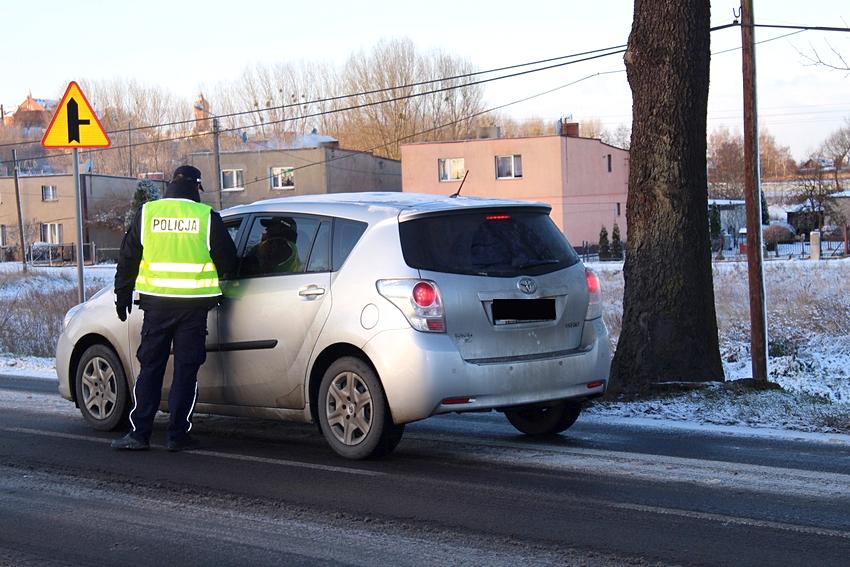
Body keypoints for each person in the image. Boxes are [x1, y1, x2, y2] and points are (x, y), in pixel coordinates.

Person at [111, 165, 237, 452]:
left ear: (170, 186)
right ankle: (177, 435)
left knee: (151, 367)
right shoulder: (206, 218)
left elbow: (128, 257)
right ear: (196, 188)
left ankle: (139, 434)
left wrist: (122, 295)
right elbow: (228, 262)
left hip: (156, 306)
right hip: (193, 309)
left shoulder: (148, 214)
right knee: (186, 370)